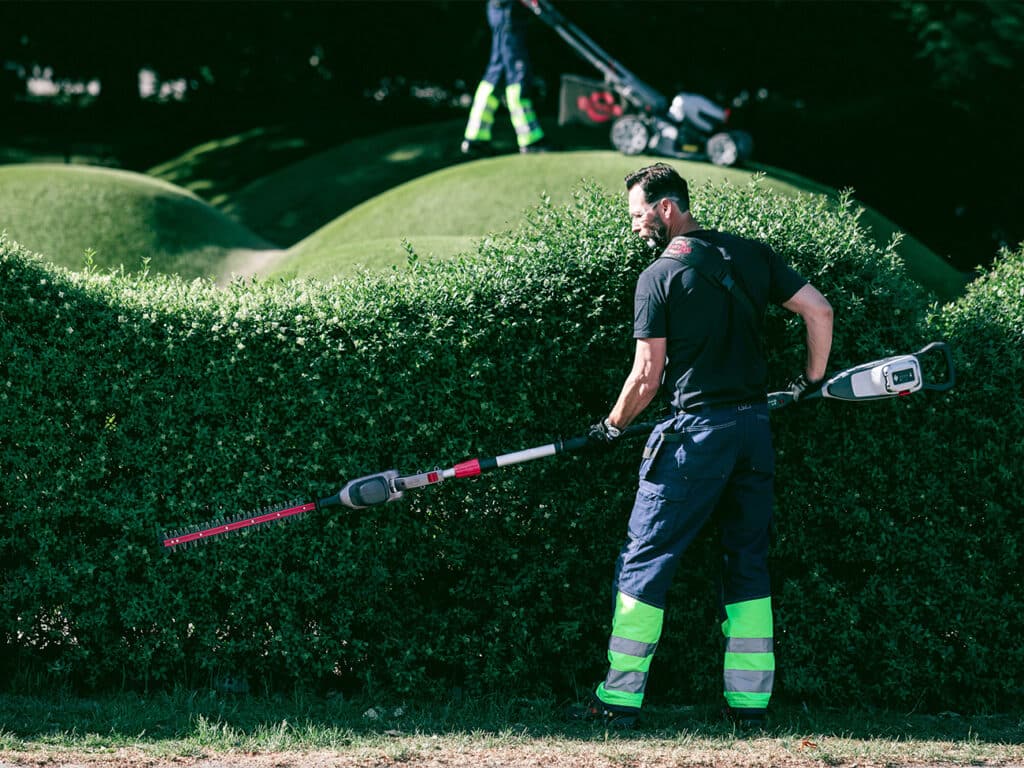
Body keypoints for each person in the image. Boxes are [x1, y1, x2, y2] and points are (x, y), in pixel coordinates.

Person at [575, 162, 834, 729]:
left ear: (667, 207)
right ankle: (749, 707)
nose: (635, 227)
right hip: (754, 432)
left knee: (646, 559)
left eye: (638, 214)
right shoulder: (751, 253)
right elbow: (819, 311)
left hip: (696, 438)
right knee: (747, 561)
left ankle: (617, 700)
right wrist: (811, 383)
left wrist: (611, 426)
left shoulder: (658, 278)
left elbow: (647, 377)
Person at [461, 0, 548, 156]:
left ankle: (476, 137)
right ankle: (530, 139)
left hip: (504, 11)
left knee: (497, 74)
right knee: (517, 74)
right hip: (506, 12)